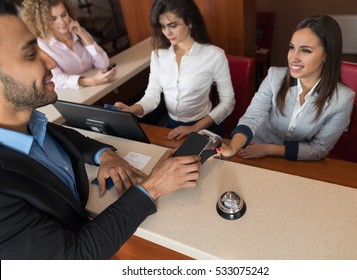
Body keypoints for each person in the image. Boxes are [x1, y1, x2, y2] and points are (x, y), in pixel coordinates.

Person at [0, 1, 201, 259]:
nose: (50, 61)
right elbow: (75, 260)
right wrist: (153, 187)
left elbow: (63, 136)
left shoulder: (33, 123)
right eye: (30, 54)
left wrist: (105, 155)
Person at [217, 15, 355, 161]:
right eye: (292, 48)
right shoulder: (274, 77)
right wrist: (233, 147)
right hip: (253, 150)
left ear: (327, 54)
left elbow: (320, 148)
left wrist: (270, 149)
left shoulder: (343, 98)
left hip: (297, 161)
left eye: (305, 50)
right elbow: (252, 117)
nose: (293, 58)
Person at [114, 0, 235, 140]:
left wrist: (194, 128)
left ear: (189, 22)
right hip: (173, 126)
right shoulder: (158, 55)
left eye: (173, 25)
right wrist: (132, 109)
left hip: (204, 126)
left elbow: (228, 101)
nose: (167, 32)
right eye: (162, 26)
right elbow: (152, 96)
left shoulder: (214, 55)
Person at [21, 0, 116, 89]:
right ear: (43, 22)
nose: (62, 22)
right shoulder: (43, 45)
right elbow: (56, 79)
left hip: (98, 89)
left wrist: (82, 35)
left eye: (64, 14)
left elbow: (103, 64)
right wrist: (91, 81)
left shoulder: (78, 31)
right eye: (53, 19)